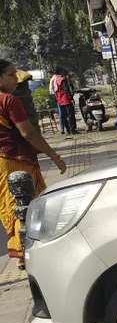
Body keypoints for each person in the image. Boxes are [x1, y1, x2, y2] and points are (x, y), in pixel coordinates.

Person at [1, 60, 67, 268]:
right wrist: (53, 155)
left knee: (11, 207)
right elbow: (28, 133)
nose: (16, 79)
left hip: (2, 163)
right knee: (28, 206)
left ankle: (22, 254)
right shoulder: (9, 101)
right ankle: (29, 252)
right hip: (17, 160)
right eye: (12, 75)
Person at [49, 67, 77, 135]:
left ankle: (68, 130)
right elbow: (66, 89)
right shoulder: (63, 79)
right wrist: (71, 98)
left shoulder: (54, 79)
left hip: (59, 99)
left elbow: (53, 90)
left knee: (63, 115)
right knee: (70, 114)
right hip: (66, 98)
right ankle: (72, 130)